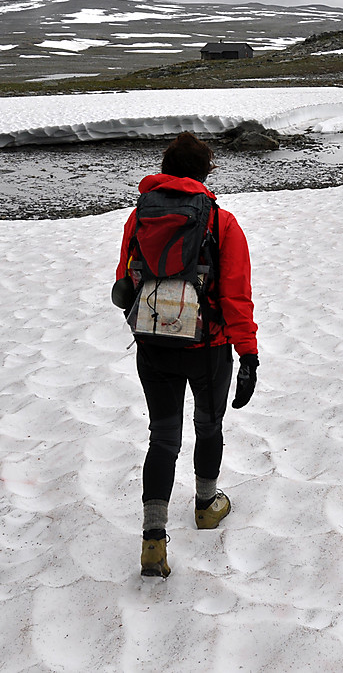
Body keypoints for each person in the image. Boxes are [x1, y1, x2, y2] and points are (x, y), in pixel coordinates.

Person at [116, 132, 259, 578]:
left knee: (163, 437)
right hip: (208, 346)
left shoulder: (140, 216)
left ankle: (153, 541)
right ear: (206, 171)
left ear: (165, 168)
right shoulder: (221, 222)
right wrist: (248, 355)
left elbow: (125, 284)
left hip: (154, 344)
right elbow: (236, 295)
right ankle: (205, 505)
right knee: (208, 424)